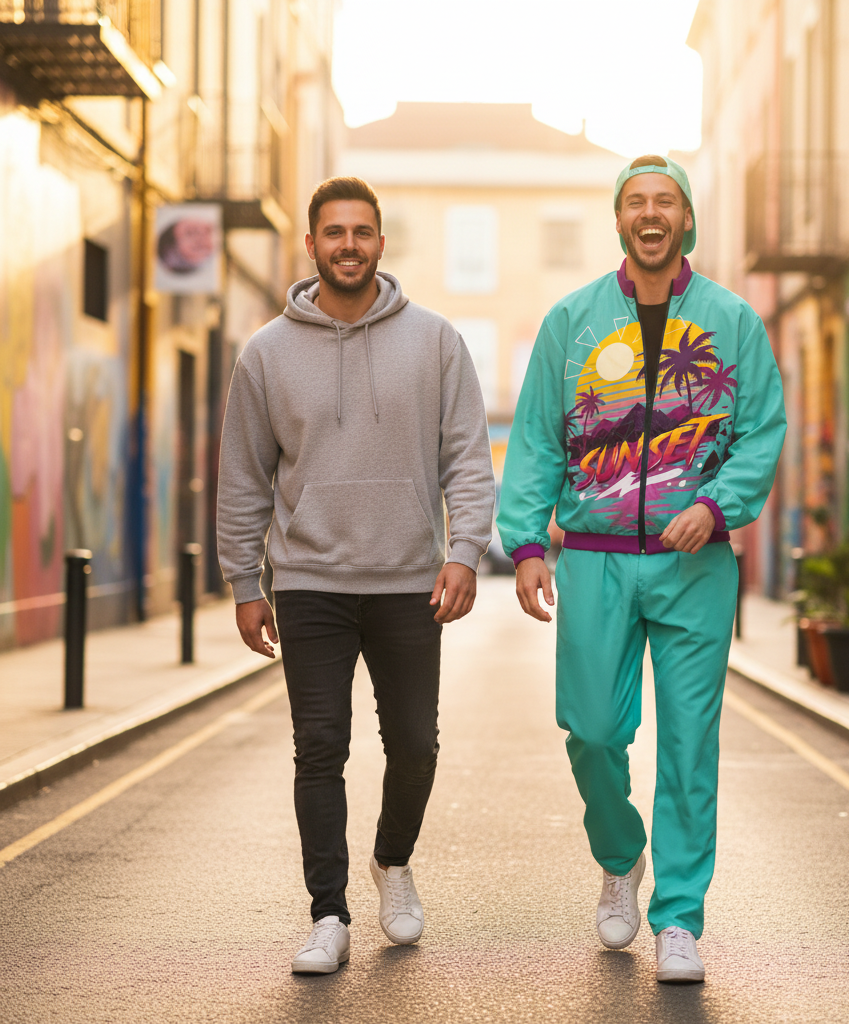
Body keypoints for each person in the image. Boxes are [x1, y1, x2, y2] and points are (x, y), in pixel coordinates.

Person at [497, 155, 786, 984]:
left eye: (666, 202)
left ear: (686, 219)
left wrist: (719, 506)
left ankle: (680, 917)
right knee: (591, 732)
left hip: (696, 564)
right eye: (636, 202)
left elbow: (762, 429)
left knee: (690, 744)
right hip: (595, 560)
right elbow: (538, 439)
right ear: (619, 219)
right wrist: (526, 544)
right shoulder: (572, 320)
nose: (651, 214)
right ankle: (621, 855)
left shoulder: (733, 321)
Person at [217, 176, 494, 974]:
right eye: (334, 232)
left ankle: (392, 861)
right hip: (309, 583)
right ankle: (328, 914)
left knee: (415, 746)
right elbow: (243, 476)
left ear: (380, 241)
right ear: (311, 244)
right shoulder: (266, 352)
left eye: (361, 232)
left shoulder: (436, 340)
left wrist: (464, 551)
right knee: (319, 748)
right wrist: (245, 582)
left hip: (409, 582)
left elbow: (467, 458)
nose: (348, 245)